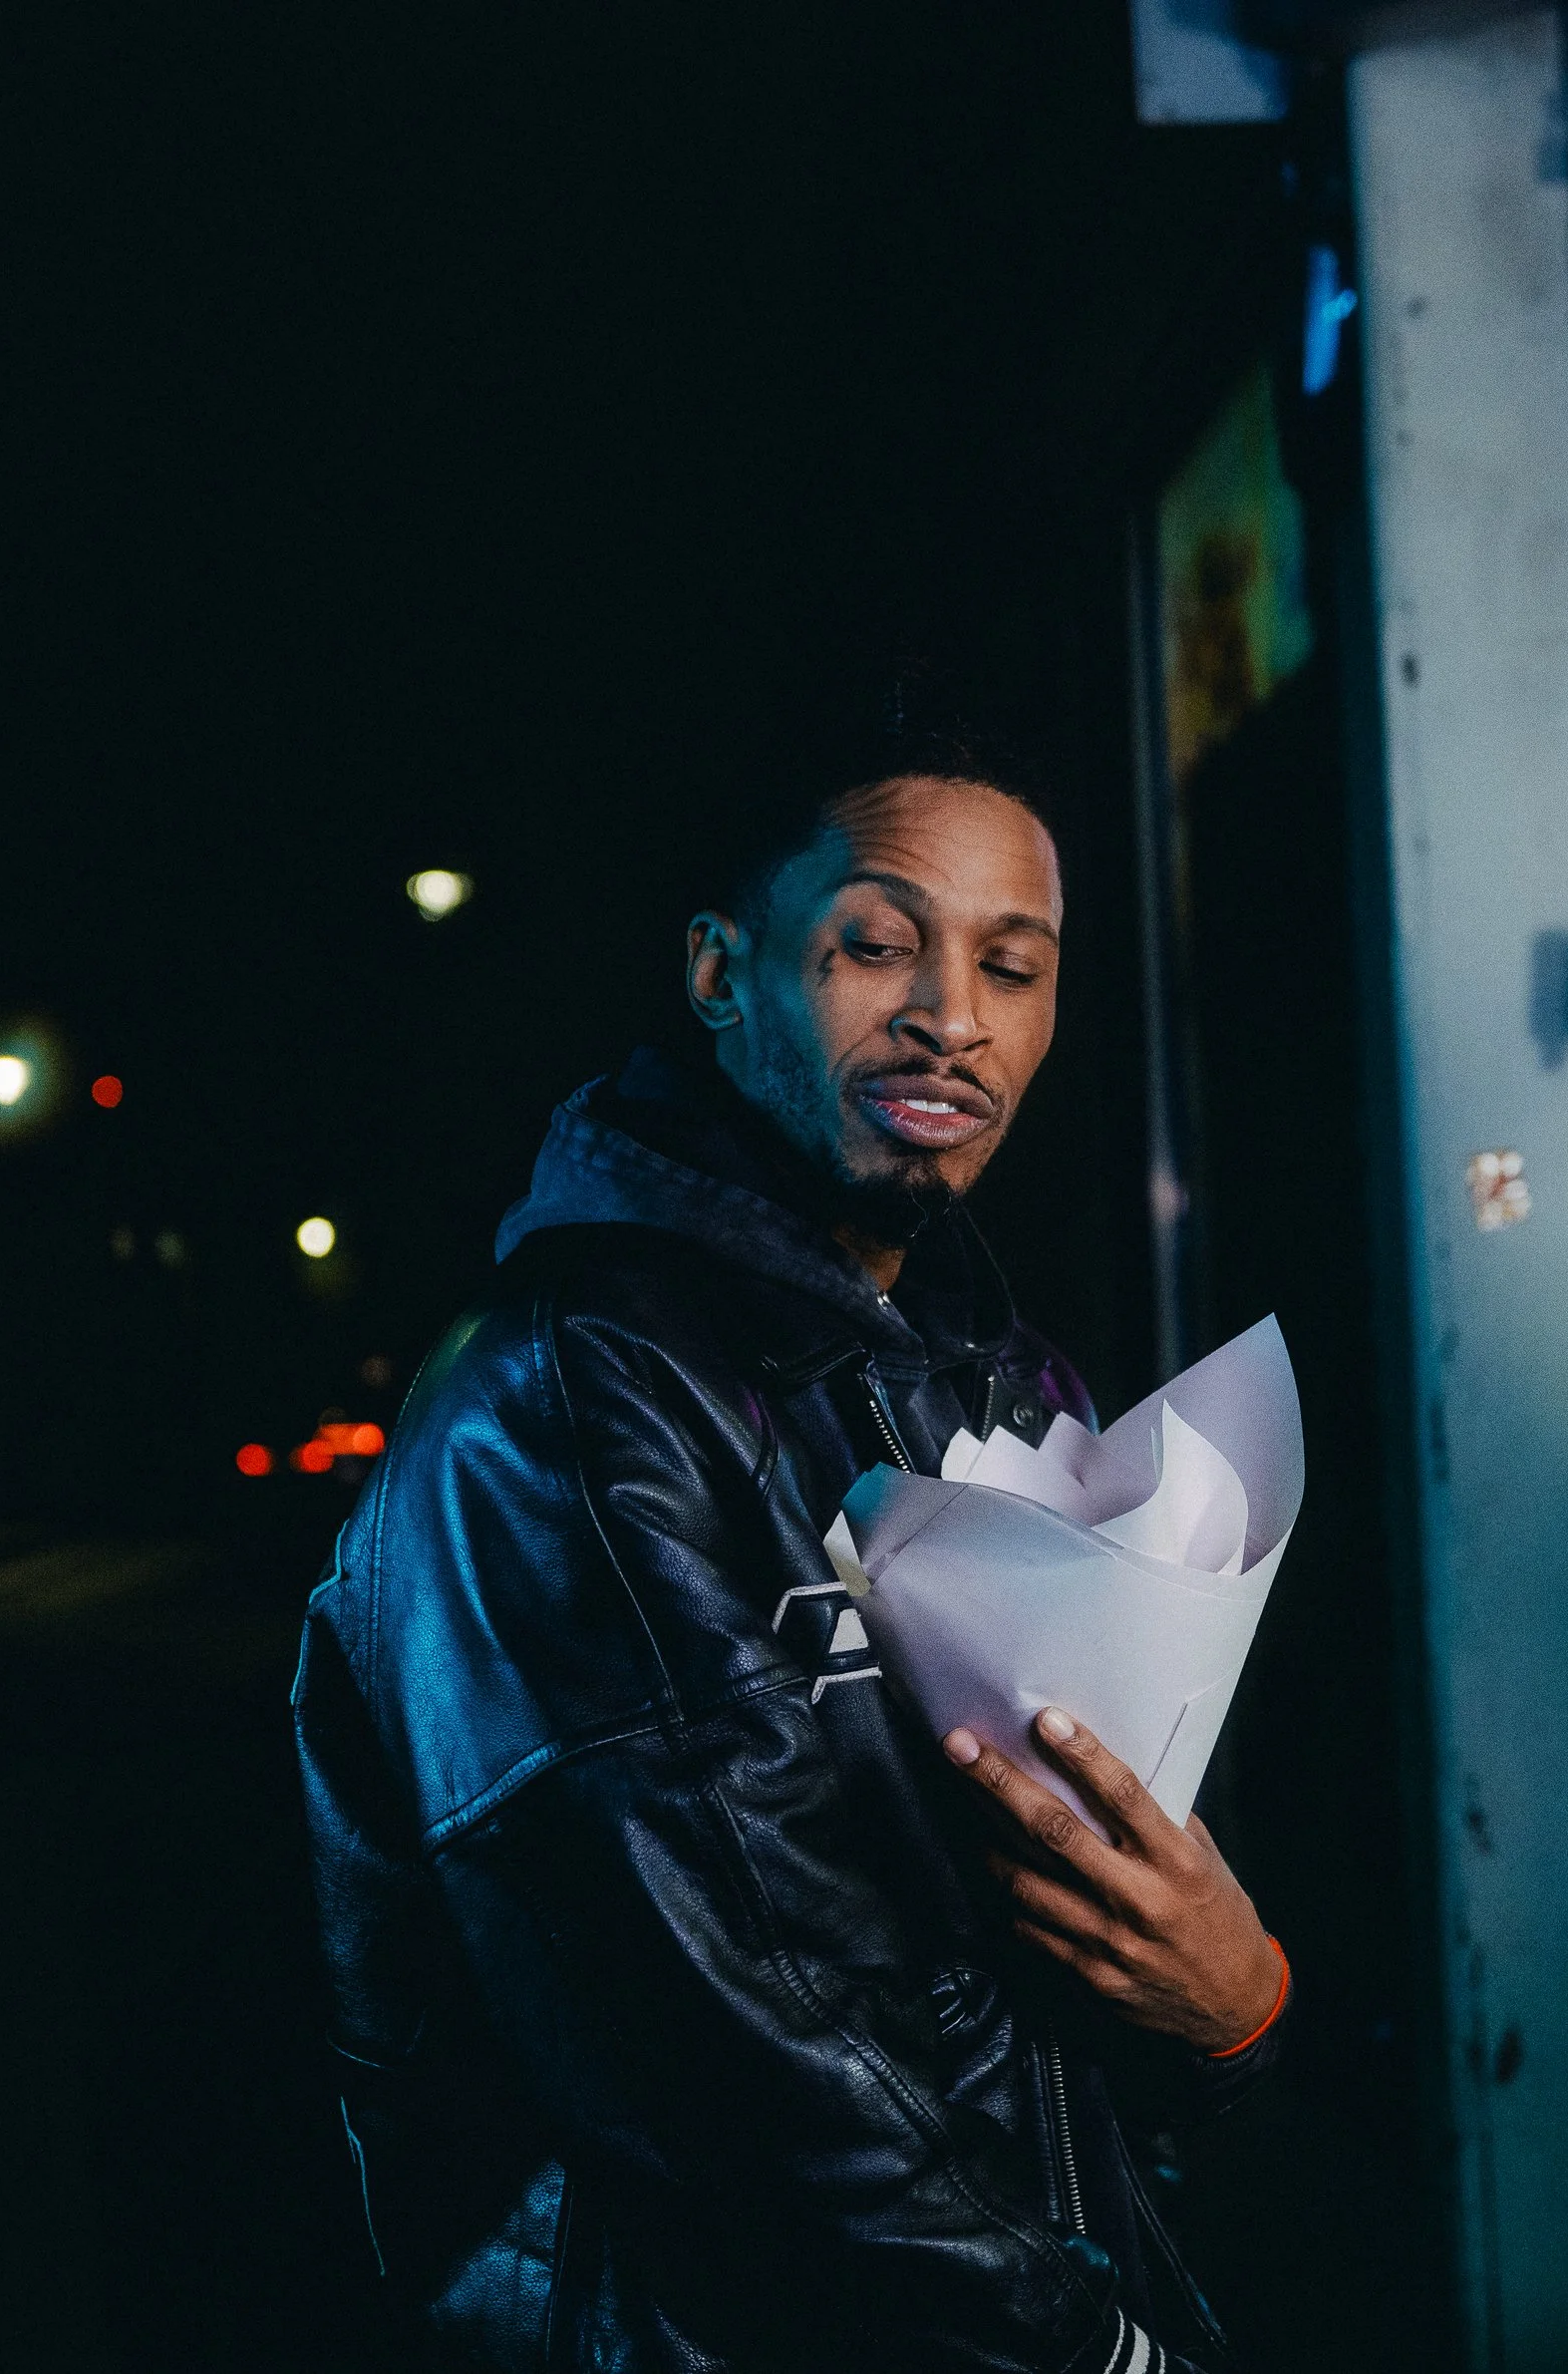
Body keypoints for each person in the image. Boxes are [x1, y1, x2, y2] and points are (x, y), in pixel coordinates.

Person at [293, 726, 1290, 2372]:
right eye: (877, 943)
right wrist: (1086, 2353)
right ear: (718, 970)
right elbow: (732, 2048)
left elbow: (1072, 1920)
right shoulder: (569, 1399)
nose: (951, 1017)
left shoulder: (1003, 1381)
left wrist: (1231, 2005)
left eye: (1013, 965)